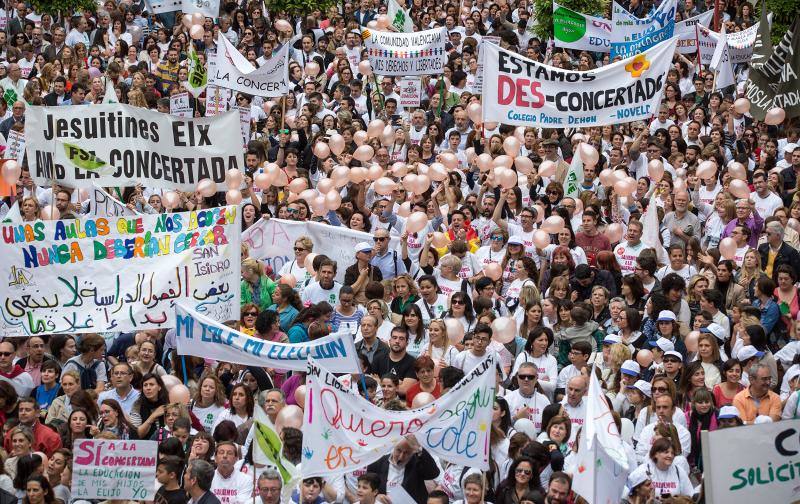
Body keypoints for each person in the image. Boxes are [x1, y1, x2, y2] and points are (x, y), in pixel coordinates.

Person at [365, 436, 440, 503]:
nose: (401, 457)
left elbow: (433, 473)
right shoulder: (377, 463)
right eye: (398, 450)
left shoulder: (417, 462)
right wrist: (375, 497)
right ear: (393, 446)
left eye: (407, 453)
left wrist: (419, 449)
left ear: (413, 452)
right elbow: (367, 487)